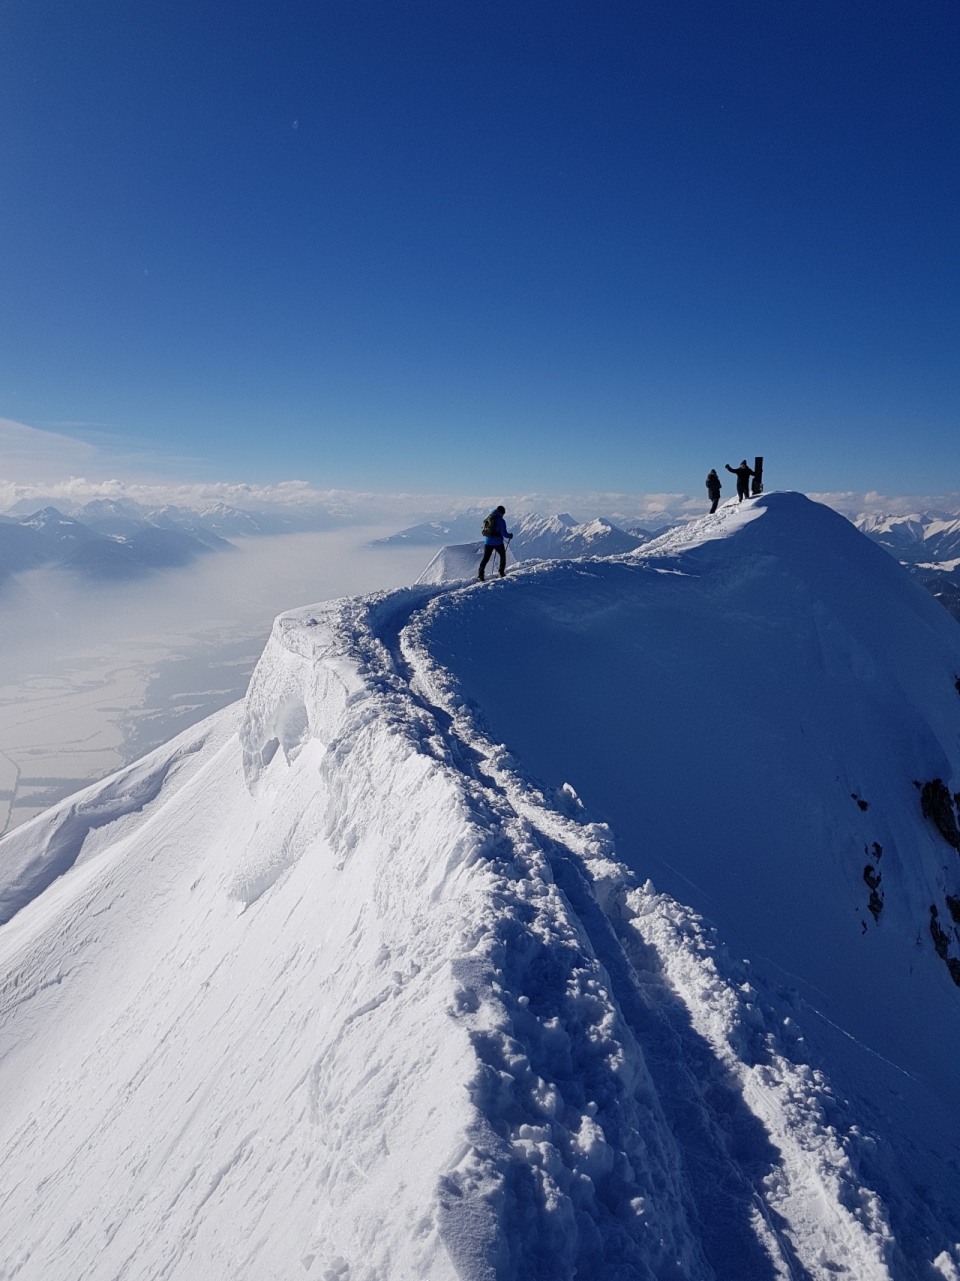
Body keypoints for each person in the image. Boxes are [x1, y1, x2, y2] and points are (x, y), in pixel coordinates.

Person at [478, 505, 513, 580]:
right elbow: (504, 533)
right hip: (498, 542)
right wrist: (510, 536)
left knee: (485, 558)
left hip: (487, 541)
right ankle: (501, 572)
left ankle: (480, 575)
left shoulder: (489, 517)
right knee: (502, 556)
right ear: (502, 512)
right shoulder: (501, 520)